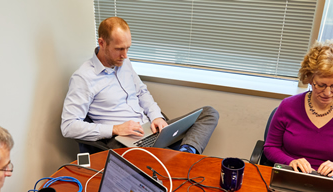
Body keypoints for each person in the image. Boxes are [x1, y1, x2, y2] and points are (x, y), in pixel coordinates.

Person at [61, 17, 219, 154]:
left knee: (208, 113)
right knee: (164, 160)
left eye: (127, 48)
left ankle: (185, 153)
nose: (125, 55)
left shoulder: (124, 62)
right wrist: (115, 129)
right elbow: (68, 126)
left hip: (149, 128)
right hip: (122, 140)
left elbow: (142, 92)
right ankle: (177, 157)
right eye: (119, 49)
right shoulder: (83, 78)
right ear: (102, 43)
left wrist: (156, 116)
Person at [264, 40, 333, 178]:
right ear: (310, 78)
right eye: (321, 85)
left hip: (330, 182)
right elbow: (270, 148)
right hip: (289, 175)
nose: (327, 93)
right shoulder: (288, 106)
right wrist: (290, 162)